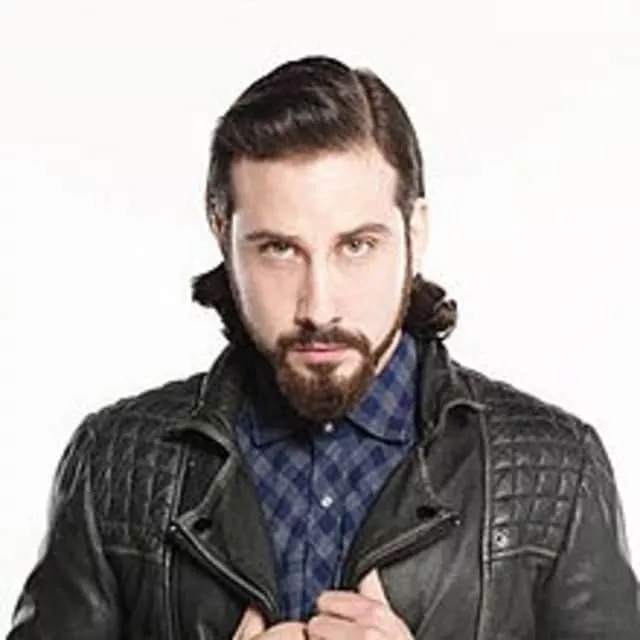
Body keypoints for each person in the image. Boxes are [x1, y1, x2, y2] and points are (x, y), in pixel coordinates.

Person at [7, 55, 639, 640]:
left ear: (415, 232)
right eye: (279, 249)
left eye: (356, 246)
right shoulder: (117, 461)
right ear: (223, 235)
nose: (318, 306)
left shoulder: (553, 470)